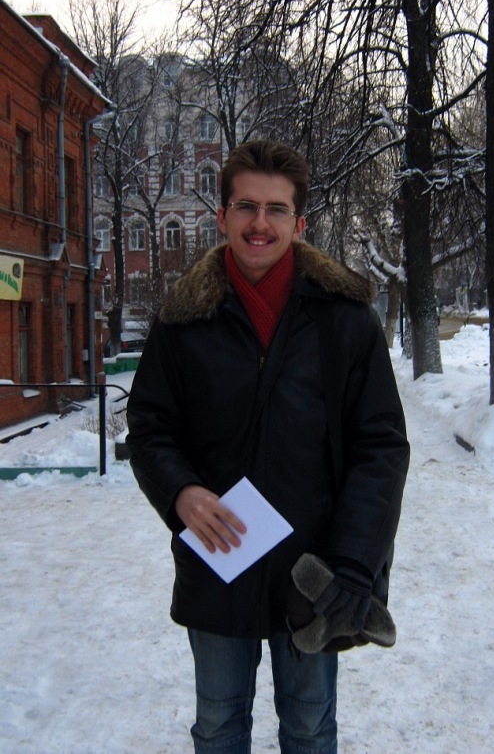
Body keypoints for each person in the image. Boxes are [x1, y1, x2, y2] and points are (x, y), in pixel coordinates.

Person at [126, 139, 410, 754]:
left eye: (276, 209)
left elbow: (381, 447)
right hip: (217, 560)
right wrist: (181, 492)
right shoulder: (182, 321)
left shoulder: (344, 318)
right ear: (222, 216)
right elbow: (148, 427)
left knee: (309, 727)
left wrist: (353, 566)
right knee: (218, 725)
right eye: (246, 206)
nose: (261, 223)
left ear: (299, 222)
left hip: (315, 570)